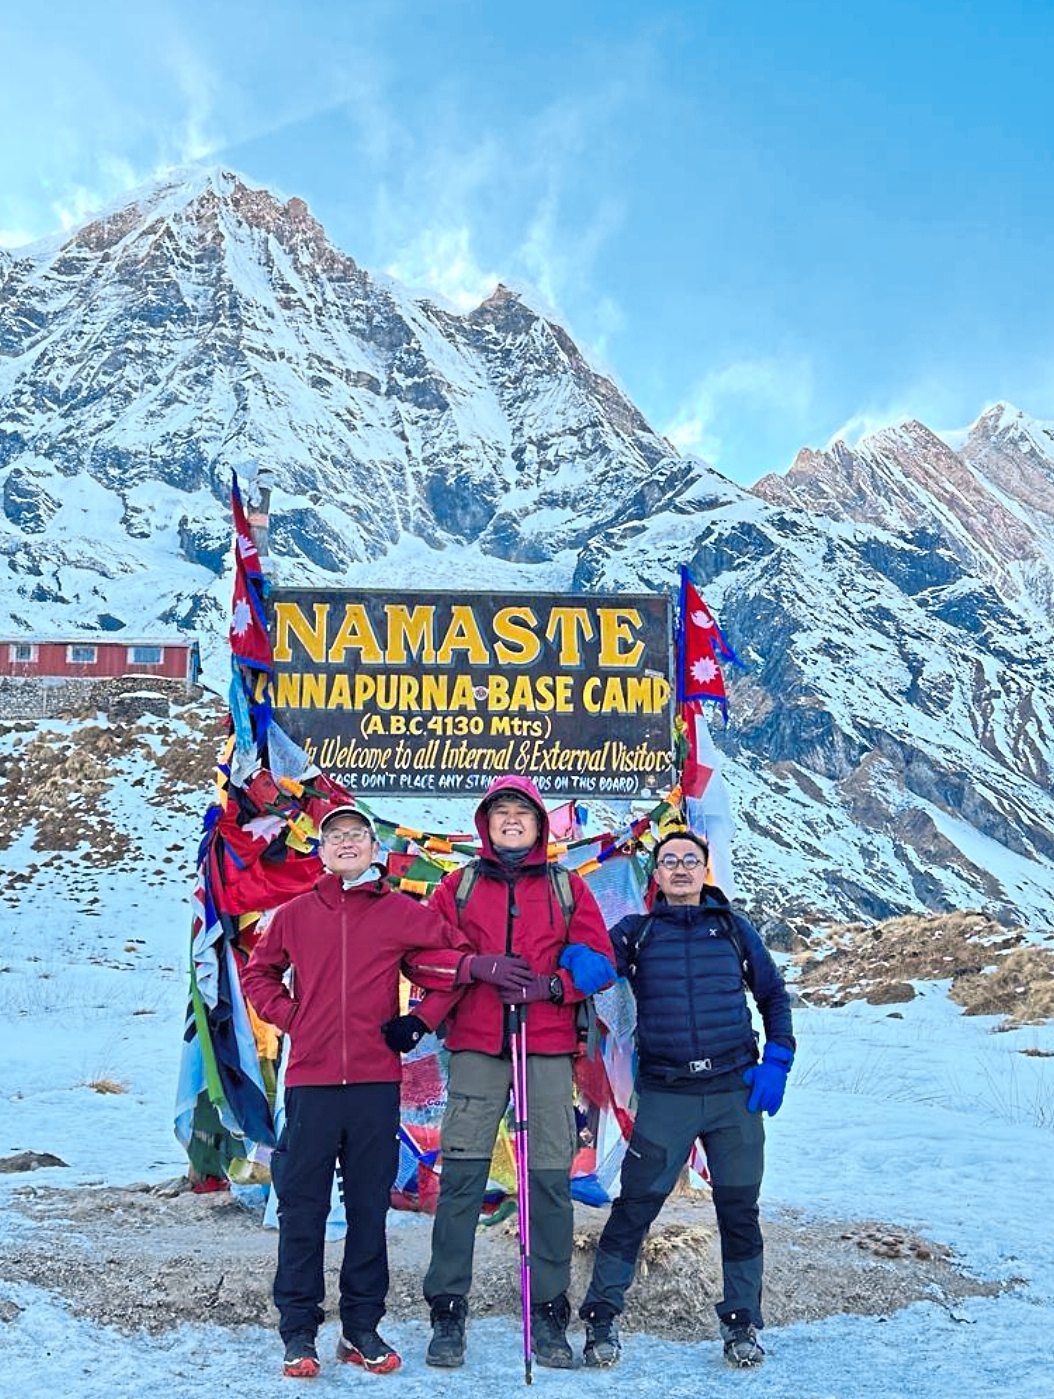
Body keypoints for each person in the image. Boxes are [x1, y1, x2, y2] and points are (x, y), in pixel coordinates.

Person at [243, 804, 491, 1380]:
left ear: (374, 848)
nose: (346, 843)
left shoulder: (403, 912)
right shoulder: (295, 914)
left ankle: (360, 1330)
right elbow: (260, 973)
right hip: (310, 1082)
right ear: (321, 851)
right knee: (302, 1208)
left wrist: (420, 1020)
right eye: (335, 836)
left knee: (368, 1211)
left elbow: (452, 964)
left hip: (377, 1084)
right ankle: (299, 1332)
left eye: (357, 834)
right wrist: (290, 1016)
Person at [383, 775, 616, 1371]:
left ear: (540, 824)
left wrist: (554, 984)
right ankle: (447, 1307)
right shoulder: (457, 888)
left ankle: (547, 1310)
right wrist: (475, 967)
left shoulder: (567, 888)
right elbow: (423, 956)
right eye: (500, 811)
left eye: (523, 811)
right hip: (478, 1043)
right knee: (462, 1177)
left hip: (544, 1043)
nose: (512, 819)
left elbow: (600, 963)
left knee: (547, 1180)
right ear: (484, 823)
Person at [577, 828, 795, 1370]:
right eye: (668, 860)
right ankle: (601, 1319)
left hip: (733, 1096)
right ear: (655, 875)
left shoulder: (735, 930)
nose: (679, 868)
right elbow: (600, 967)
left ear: (704, 870)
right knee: (634, 1210)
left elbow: (772, 997)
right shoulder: (638, 933)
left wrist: (778, 1061)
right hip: (667, 1097)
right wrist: (586, 963)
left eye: (690, 860)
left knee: (739, 1212)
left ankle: (743, 1325)